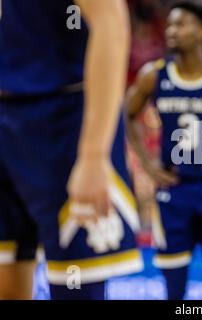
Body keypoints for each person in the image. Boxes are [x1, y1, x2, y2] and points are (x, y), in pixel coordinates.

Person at [0, 0, 143, 299]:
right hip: (10, 113)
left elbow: (111, 23)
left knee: (75, 287)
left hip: (62, 120)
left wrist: (93, 156)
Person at [126, 1, 202, 300]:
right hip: (173, 192)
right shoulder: (154, 75)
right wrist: (148, 165)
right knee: (173, 289)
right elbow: (127, 116)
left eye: (181, 24)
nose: (171, 31)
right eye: (169, 25)